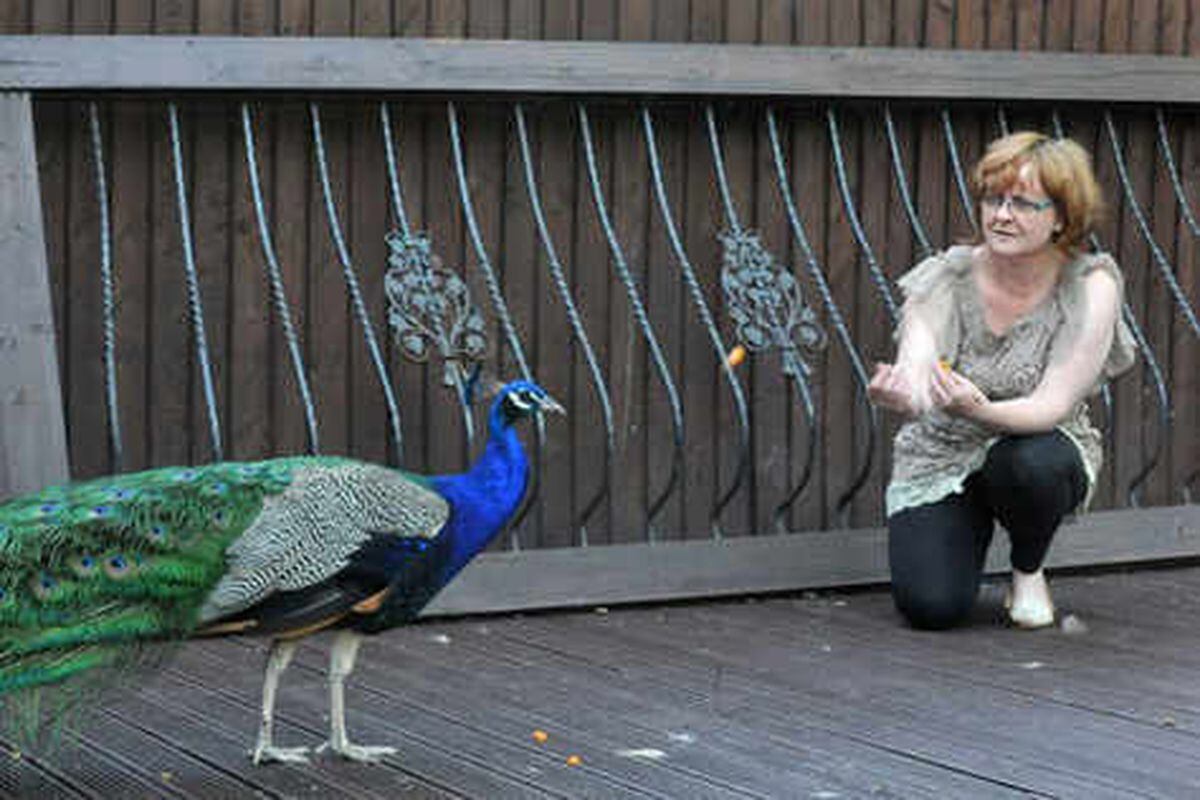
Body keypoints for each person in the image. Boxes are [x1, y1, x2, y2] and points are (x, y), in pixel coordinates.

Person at [868, 131, 1135, 630]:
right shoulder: (946, 276)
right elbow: (919, 359)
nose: (1002, 215)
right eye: (994, 199)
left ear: (1060, 216)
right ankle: (964, 530)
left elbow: (1051, 405)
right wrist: (905, 389)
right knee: (932, 608)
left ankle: (1027, 567)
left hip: (1034, 441)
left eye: (1023, 204)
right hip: (945, 449)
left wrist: (979, 408)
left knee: (1036, 463)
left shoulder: (1090, 285)